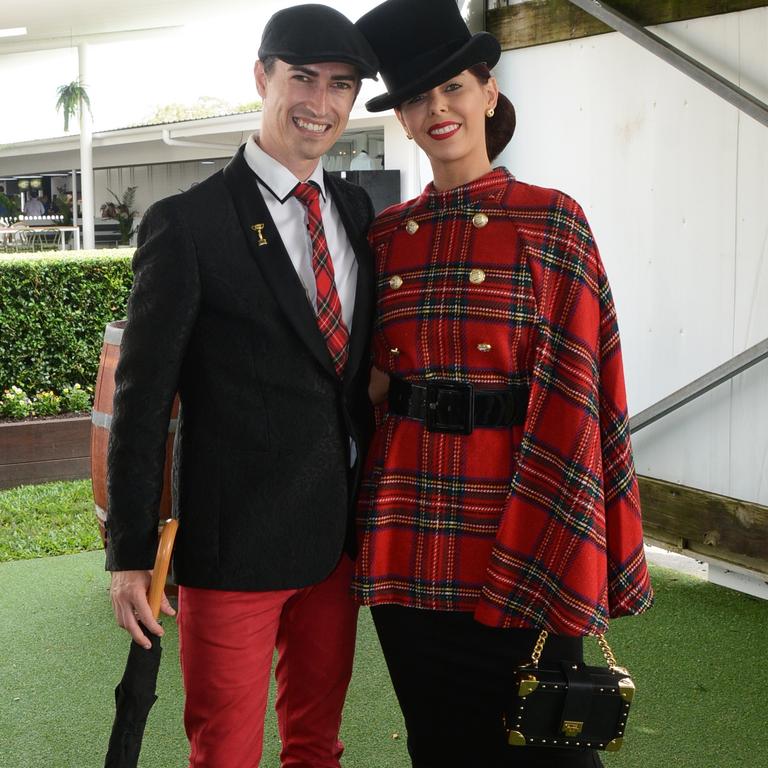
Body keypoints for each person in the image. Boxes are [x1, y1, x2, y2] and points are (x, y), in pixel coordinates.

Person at [352, 1, 654, 767]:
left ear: (488, 91)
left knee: (547, 745)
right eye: (417, 99)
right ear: (407, 122)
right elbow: (363, 378)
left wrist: (561, 533)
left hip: (520, 515)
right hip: (409, 522)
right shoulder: (385, 238)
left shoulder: (553, 223)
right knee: (440, 739)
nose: (438, 109)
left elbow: (583, 395)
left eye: (452, 87)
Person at [105, 5, 378, 767]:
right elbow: (141, 401)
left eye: (340, 86)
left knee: (317, 745)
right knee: (224, 753)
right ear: (262, 77)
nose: (319, 104)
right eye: (301, 78)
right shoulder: (185, 224)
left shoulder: (357, 210)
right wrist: (128, 553)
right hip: (234, 548)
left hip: (336, 544)